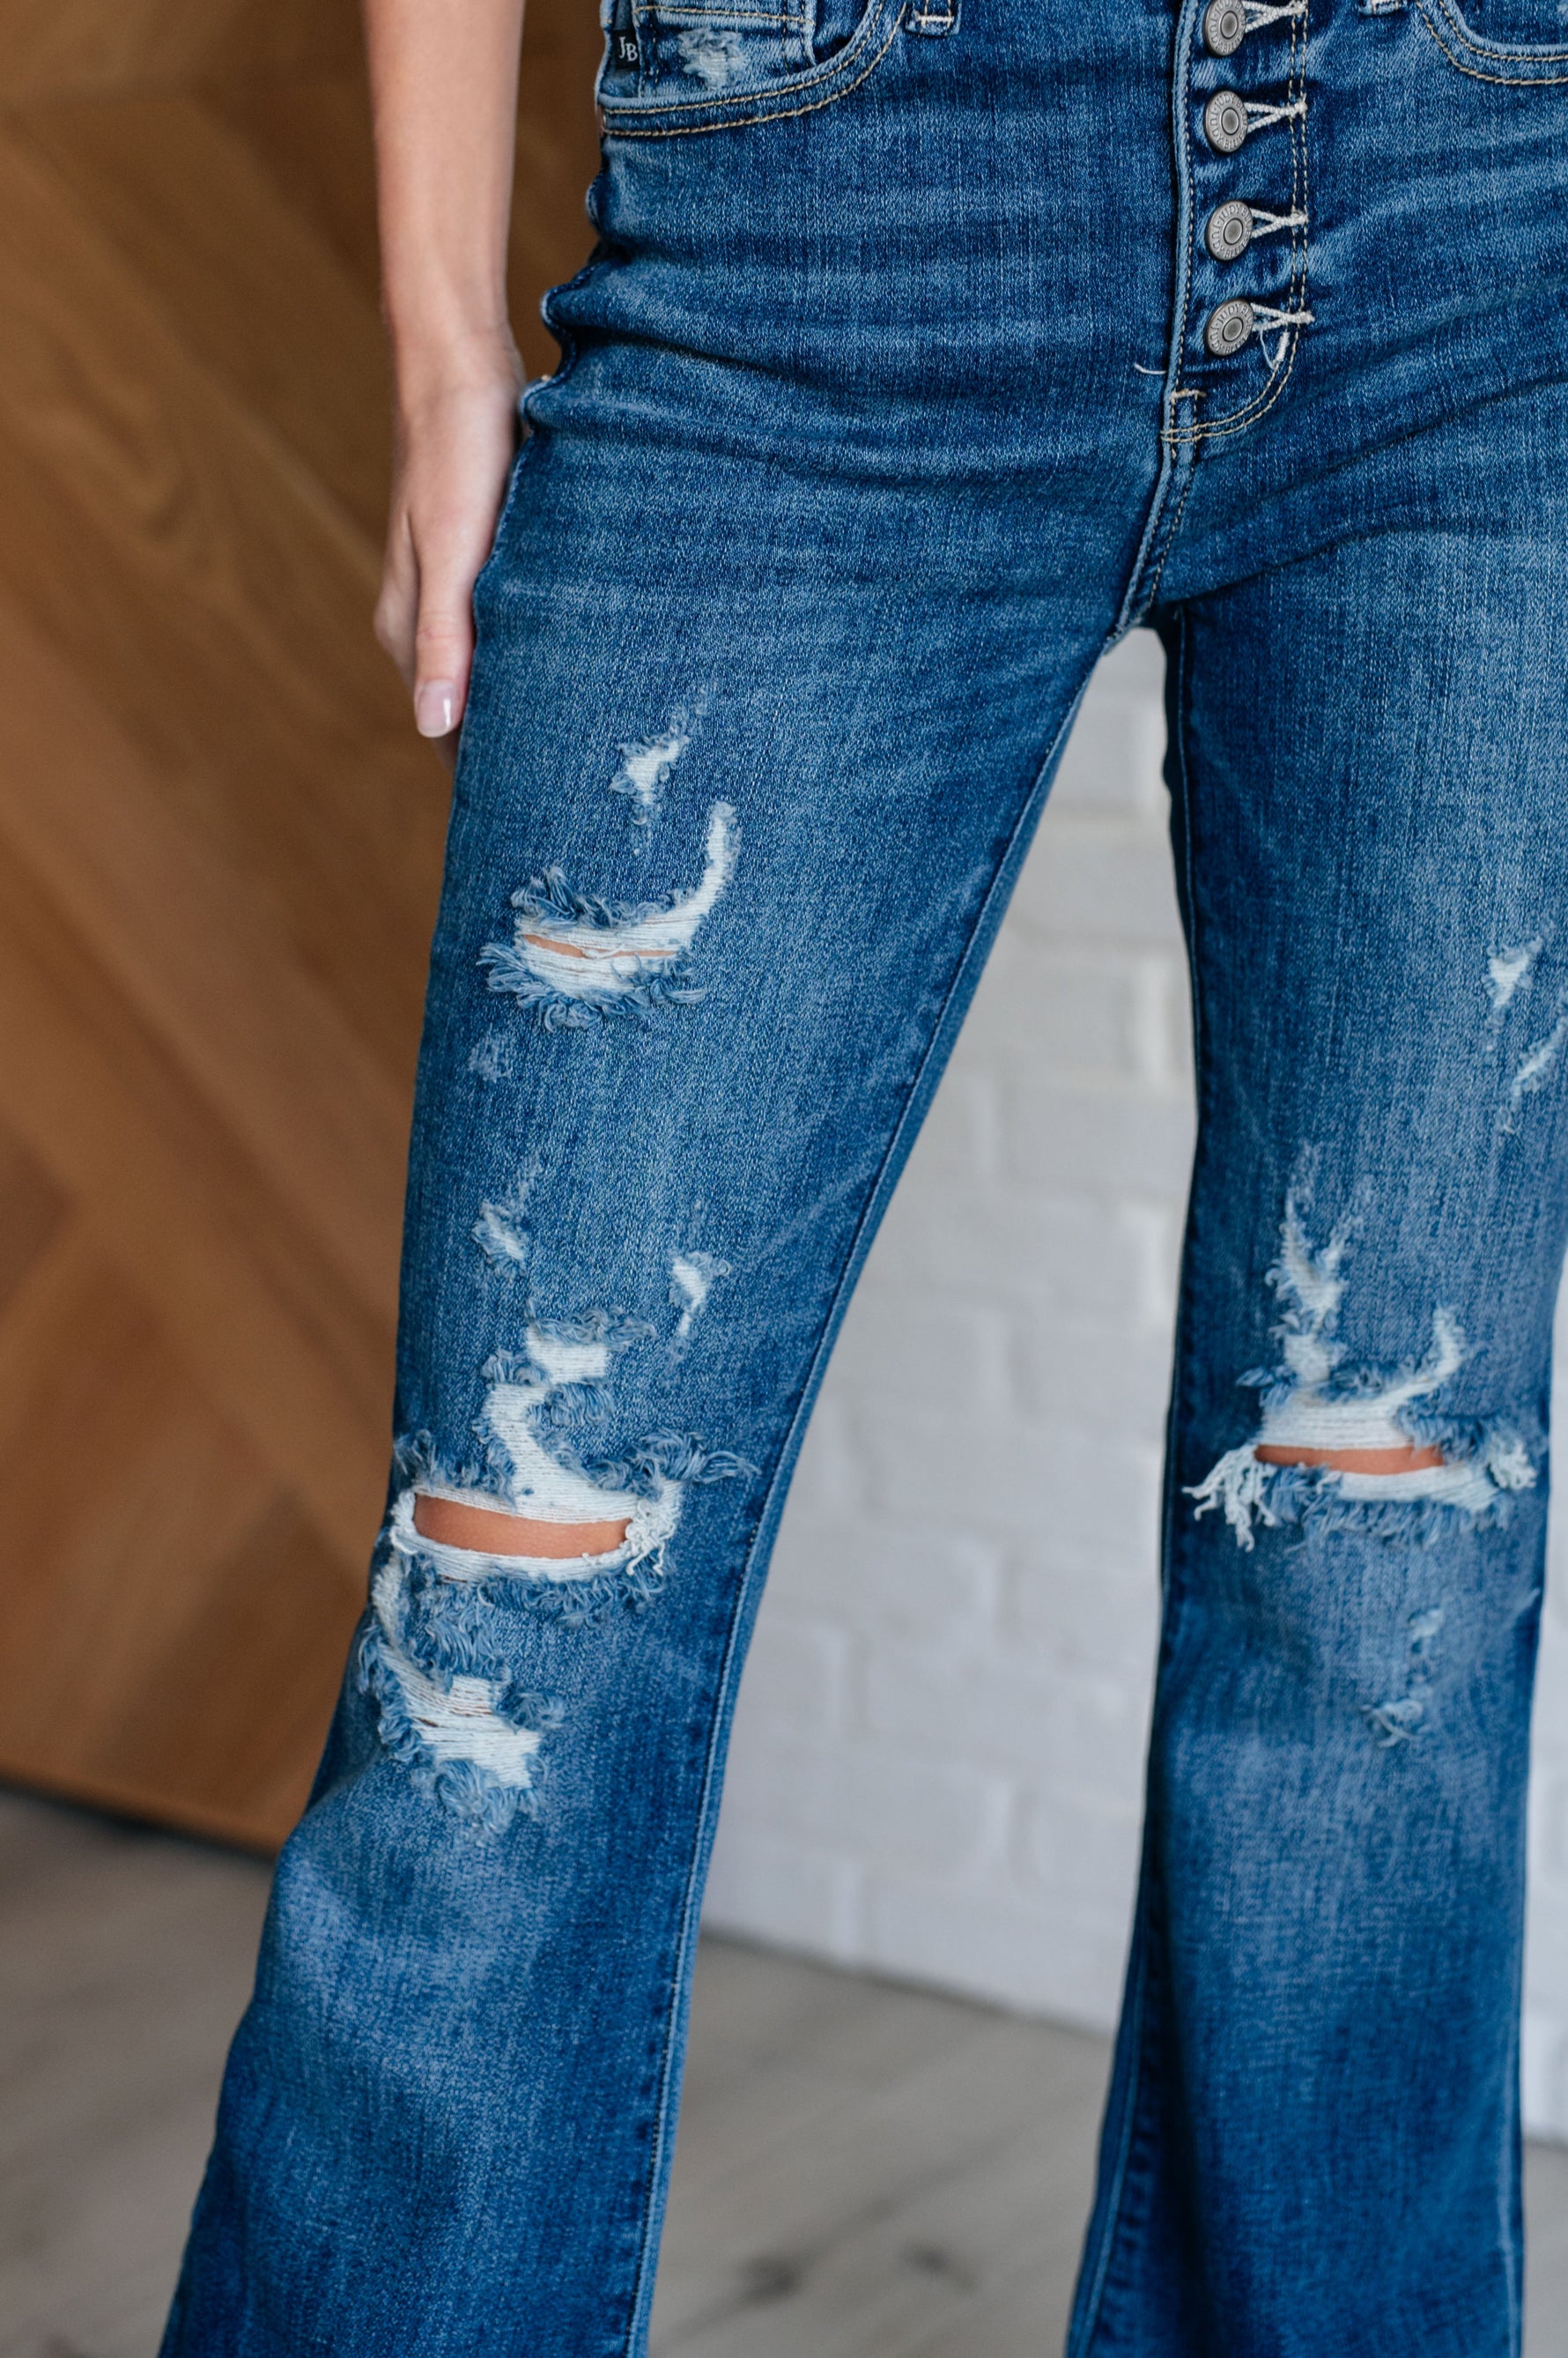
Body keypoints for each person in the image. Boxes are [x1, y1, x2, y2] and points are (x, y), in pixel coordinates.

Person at [159, 0, 1568, 2348]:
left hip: (1482, 223)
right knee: (515, 1596)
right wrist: (433, 330)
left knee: (1377, 1583)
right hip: (811, 232)